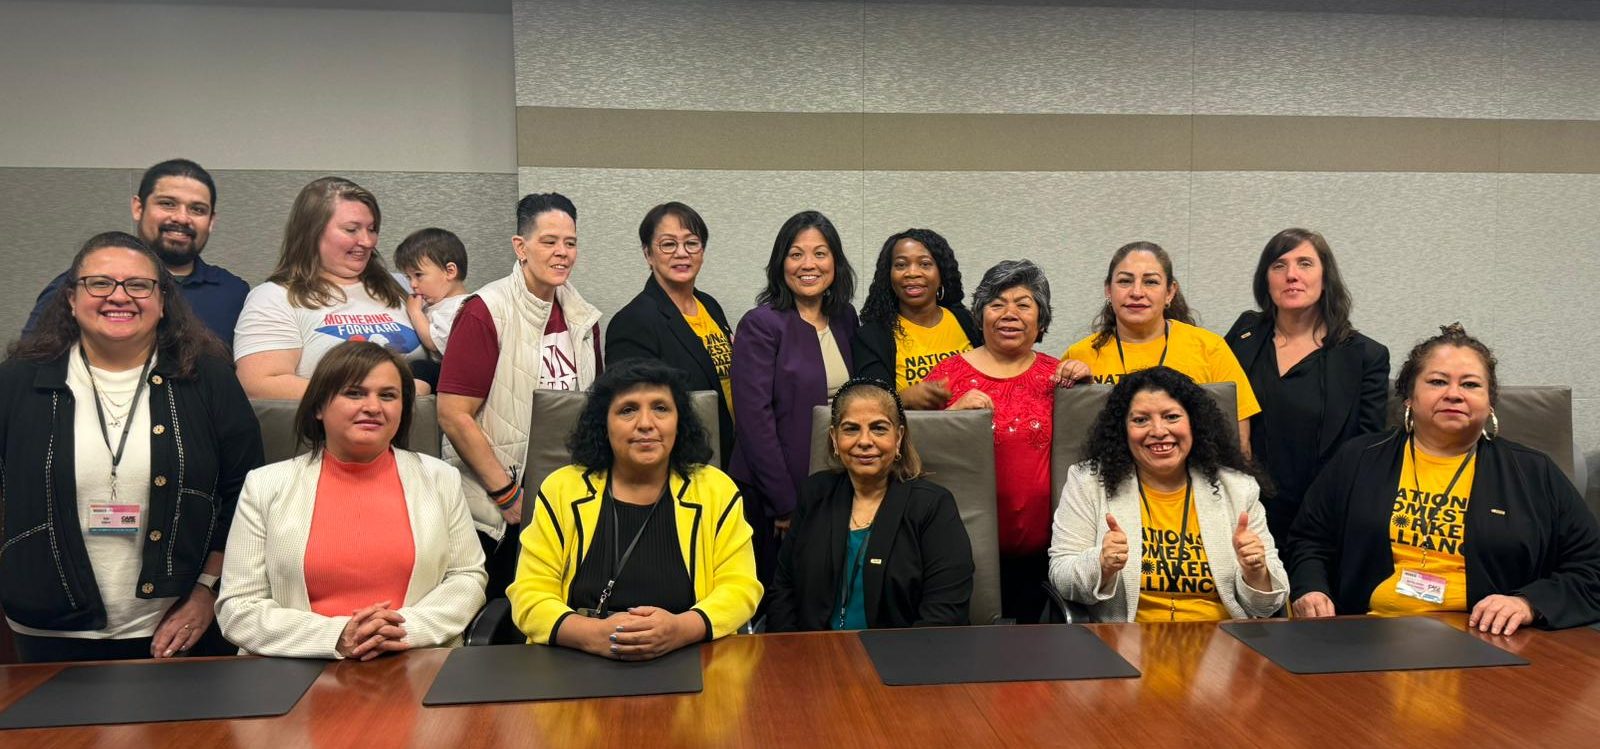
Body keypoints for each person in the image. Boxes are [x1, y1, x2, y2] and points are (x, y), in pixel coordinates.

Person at [0, 232, 262, 663]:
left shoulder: (208, 379)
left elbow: (246, 496)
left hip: (178, 626)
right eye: (99, 283)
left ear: (163, 301)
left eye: (138, 285)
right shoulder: (18, 382)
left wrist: (205, 593)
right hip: (48, 627)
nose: (119, 297)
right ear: (71, 297)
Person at [1289, 324, 1600, 634]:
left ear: (1490, 402)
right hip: (1366, 634)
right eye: (1437, 382)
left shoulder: (1534, 473)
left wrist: (1527, 604)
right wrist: (1311, 589)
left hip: (1490, 639)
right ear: (1409, 397)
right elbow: (1309, 540)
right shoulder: (1358, 458)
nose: (1454, 394)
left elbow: (1591, 568)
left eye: (1470, 385)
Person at [216, 341, 487, 659]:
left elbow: (467, 576)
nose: (373, 406)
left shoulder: (441, 478)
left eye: (387, 395)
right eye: (355, 393)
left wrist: (401, 630)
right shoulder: (264, 486)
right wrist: (337, 636)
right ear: (318, 407)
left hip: (415, 659)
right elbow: (238, 607)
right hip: (294, 668)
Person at [508, 360, 761, 660]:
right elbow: (529, 594)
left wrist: (680, 629)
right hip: (577, 658)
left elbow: (741, 588)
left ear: (679, 422)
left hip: (691, 657)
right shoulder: (561, 489)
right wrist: (593, 636)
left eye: (661, 408)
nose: (645, 423)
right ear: (604, 423)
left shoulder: (716, 490)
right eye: (628, 409)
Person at [437, 193, 603, 598]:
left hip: (566, 497)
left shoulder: (584, 318)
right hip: (499, 505)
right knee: (501, 620)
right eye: (549, 241)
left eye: (570, 242)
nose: (562, 253)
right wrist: (507, 494)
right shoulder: (485, 311)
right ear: (521, 247)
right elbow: (453, 413)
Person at [1048, 367, 1287, 622]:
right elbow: (1061, 575)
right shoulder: (1089, 482)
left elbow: (1268, 605)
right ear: (1123, 430)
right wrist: (1101, 565)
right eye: (1140, 420)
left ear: (1194, 423)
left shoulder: (1238, 488)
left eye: (1172, 417)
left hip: (1221, 638)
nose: (1159, 430)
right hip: (1125, 642)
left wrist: (1256, 573)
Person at [1224, 229, 1390, 552]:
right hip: (1246, 512)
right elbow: (1197, 384)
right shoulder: (1245, 333)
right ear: (1266, 280)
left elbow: (1368, 451)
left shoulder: (1364, 355)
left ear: (1326, 279)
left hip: (1322, 520)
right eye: (1279, 266)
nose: (1292, 276)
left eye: (1305, 264)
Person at [766, 378, 974, 631]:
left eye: (878, 428)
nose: (864, 441)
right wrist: (790, 657)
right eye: (851, 429)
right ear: (834, 437)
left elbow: (945, 613)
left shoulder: (932, 506)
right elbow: (784, 590)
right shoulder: (814, 493)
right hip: (814, 657)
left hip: (902, 661)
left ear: (898, 438)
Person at [727, 210, 857, 590]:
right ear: (780, 262)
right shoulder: (761, 324)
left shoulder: (845, 318)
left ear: (835, 261)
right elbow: (754, 420)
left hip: (833, 486)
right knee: (779, 600)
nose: (808, 265)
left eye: (820, 253)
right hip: (774, 492)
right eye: (796, 254)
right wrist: (783, 502)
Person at [923, 259, 1059, 619]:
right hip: (961, 546)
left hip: (1041, 548)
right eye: (997, 304)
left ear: (1041, 320)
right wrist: (952, 416)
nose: (1009, 314)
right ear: (980, 316)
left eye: (1023, 304)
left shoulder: (1057, 377)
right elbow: (912, 449)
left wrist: (1086, 382)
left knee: (1032, 656)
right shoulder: (946, 375)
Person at [234, 176, 426, 400]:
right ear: (311, 233)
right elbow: (259, 384)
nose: (367, 241)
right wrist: (378, 395)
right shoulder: (274, 297)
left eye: (372, 229)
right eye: (352, 229)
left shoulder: (402, 286)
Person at [1057, 241, 1259, 451]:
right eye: (1125, 281)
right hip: (1106, 478)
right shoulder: (1080, 355)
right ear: (1108, 290)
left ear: (1170, 292)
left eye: (1151, 282)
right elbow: (1069, 444)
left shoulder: (1210, 348)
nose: (1136, 292)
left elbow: (1238, 443)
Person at [23, 159, 249, 344]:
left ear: (211, 221)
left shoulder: (234, 292)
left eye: (197, 209)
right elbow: (31, 366)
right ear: (138, 208)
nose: (181, 217)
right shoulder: (84, 286)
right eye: (168, 204)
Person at [606, 202, 735, 464]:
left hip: (728, 455)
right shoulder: (632, 321)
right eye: (668, 244)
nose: (681, 253)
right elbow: (634, 413)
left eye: (691, 243)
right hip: (680, 463)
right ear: (648, 254)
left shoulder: (709, 306)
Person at [853, 229, 983, 410]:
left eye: (925, 264)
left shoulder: (968, 322)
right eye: (900, 265)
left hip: (971, 432)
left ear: (941, 274)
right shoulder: (873, 336)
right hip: (910, 435)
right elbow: (867, 405)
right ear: (888, 276)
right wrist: (902, 399)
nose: (912, 273)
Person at [395, 227, 471, 359]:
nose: (412, 284)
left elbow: (433, 342)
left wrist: (415, 313)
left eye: (418, 275)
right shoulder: (434, 302)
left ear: (450, 271)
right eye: (409, 277)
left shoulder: (461, 307)